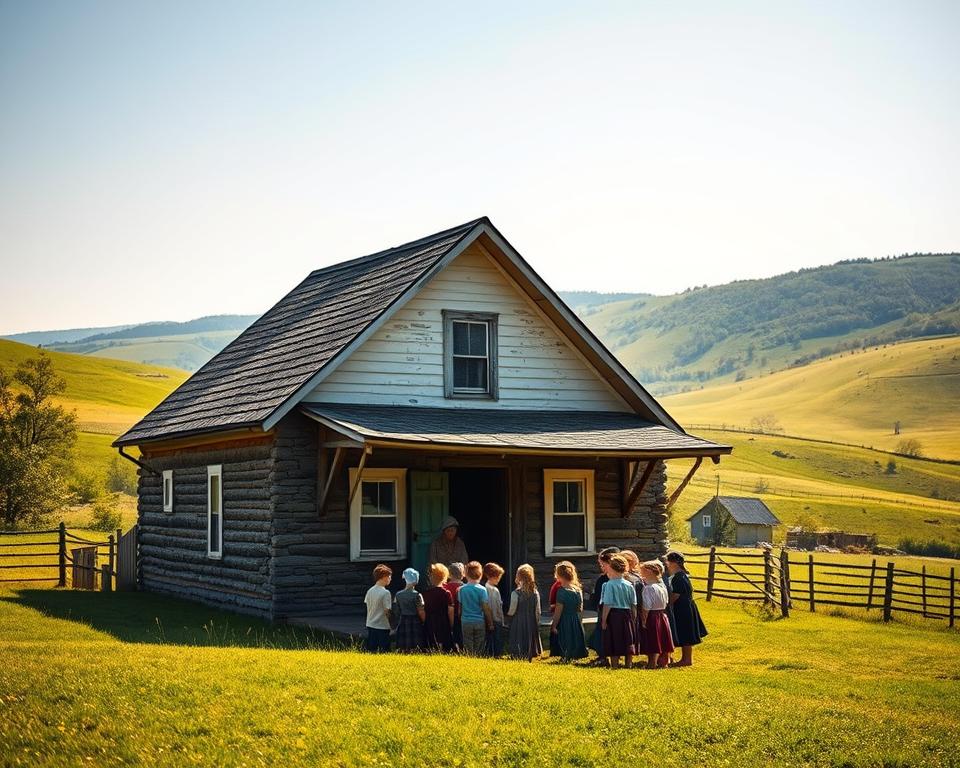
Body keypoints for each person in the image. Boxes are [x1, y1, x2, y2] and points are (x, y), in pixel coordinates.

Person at [665, 550, 708, 667]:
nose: (666, 564)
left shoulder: (678, 577)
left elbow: (676, 595)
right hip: (686, 606)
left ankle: (686, 659)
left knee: (685, 633)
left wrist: (667, 604)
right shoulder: (681, 575)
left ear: (673, 563)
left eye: (668, 561)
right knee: (684, 632)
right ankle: (683, 658)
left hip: (682, 608)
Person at [600, 554, 637, 669]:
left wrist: (604, 619)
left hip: (614, 615)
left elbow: (608, 604)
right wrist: (634, 618)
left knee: (614, 638)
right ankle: (628, 664)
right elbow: (633, 604)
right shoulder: (629, 584)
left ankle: (614, 665)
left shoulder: (609, 585)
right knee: (627, 638)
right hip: (626, 615)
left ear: (612, 568)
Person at [638, 560, 674, 669]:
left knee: (653, 639)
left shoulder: (648, 588)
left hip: (652, 616)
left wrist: (644, 619)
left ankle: (652, 663)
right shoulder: (661, 587)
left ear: (649, 572)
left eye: (642, 571)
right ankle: (664, 662)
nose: (641, 573)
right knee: (662, 638)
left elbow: (647, 606)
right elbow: (666, 601)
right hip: (662, 614)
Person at [550, 561, 588, 661]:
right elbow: (580, 608)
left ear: (558, 575)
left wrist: (554, 625)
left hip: (565, 618)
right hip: (575, 617)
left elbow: (558, 610)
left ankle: (565, 655)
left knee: (565, 637)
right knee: (574, 636)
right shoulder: (577, 590)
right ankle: (574, 654)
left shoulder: (561, 591)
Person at [588, 547, 620, 663]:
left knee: (604, 634)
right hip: (606, 609)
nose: (601, 566)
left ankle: (604, 656)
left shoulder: (606, 580)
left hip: (608, 610)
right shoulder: (605, 578)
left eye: (603, 564)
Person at [507, 564, 543, 661]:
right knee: (529, 637)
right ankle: (529, 654)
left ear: (518, 577)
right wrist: (537, 621)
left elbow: (512, 610)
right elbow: (538, 610)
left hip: (518, 620)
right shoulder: (535, 593)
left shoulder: (515, 593)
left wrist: (508, 617)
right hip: (531, 620)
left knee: (518, 636)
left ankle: (518, 653)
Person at [458, 561, 493, 656]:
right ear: (480, 575)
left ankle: (469, 660)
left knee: (468, 644)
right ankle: (478, 659)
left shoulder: (461, 590)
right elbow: (485, 608)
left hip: (465, 621)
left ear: (465, 574)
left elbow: (460, 609)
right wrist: (490, 623)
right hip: (479, 621)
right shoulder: (482, 590)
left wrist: (459, 618)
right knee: (479, 644)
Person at [423, 562, 455, 652]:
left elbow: (423, 610)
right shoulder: (446, 593)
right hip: (443, 620)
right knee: (445, 644)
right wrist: (451, 624)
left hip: (430, 620)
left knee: (432, 643)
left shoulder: (426, 594)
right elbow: (450, 610)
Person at [393, 567, 426, 652]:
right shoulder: (418, 595)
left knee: (403, 646)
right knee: (416, 645)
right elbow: (421, 610)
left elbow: (396, 611)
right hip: (415, 621)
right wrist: (425, 621)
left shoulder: (398, 595)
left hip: (403, 620)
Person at [363, 564, 393, 653]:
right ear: (384, 577)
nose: (390, 579)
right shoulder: (385, 593)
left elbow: (367, 605)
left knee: (372, 650)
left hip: (370, 624)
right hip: (382, 626)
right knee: (385, 651)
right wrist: (392, 625)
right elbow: (387, 611)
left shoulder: (370, 591)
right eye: (389, 576)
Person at [483, 562, 507, 657]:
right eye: (497, 576)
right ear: (490, 576)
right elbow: (494, 606)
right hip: (495, 619)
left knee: (491, 639)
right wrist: (499, 619)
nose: (499, 579)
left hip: (489, 619)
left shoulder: (485, 587)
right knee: (496, 640)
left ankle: (491, 654)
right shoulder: (493, 590)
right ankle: (497, 655)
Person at [443, 562, 465, 652]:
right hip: (462, 615)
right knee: (461, 635)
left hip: (447, 615)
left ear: (449, 574)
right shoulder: (465, 587)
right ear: (463, 574)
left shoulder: (444, 587)